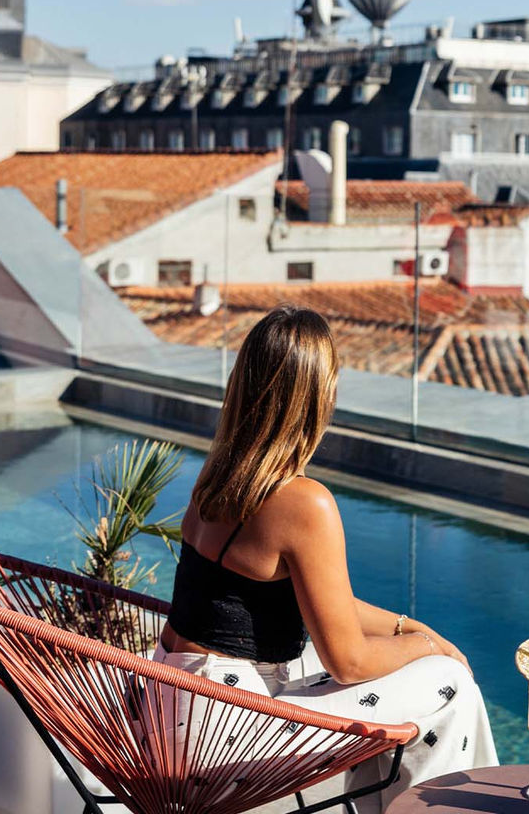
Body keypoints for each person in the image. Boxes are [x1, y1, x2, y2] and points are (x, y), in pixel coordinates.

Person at [152, 305, 498, 809]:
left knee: (394, 666)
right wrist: (429, 649)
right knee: (452, 685)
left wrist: (410, 628)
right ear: (317, 396)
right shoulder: (302, 502)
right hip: (221, 743)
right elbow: (349, 662)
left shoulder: (219, 477)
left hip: (172, 717)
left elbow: (321, 602)